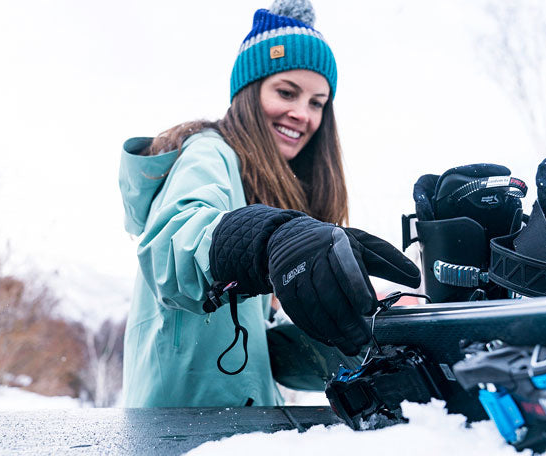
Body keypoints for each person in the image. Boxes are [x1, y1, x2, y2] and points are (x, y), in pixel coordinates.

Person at [118, 0, 421, 408]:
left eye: (317, 102)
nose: (302, 113)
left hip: (241, 423)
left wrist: (374, 330)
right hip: (179, 426)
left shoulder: (258, 187)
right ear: (248, 91)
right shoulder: (209, 153)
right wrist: (266, 239)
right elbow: (173, 245)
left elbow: (267, 353)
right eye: (286, 92)